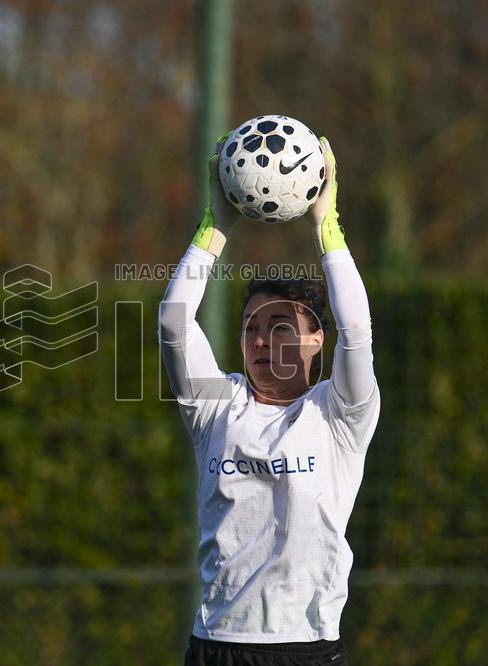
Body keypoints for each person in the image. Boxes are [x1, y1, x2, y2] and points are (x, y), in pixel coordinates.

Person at [159, 136, 379, 665]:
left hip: (305, 649)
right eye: (251, 328)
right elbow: (173, 320)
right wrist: (216, 229)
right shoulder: (216, 406)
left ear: (314, 341)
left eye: (280, 327)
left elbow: (357, 328)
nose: (262, 341)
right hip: (216, 647)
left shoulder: (339, 415)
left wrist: (327, 231)